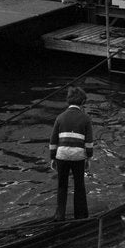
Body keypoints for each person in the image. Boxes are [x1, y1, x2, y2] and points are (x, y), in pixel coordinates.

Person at [49, 86, 94, 220]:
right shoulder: (86, 119)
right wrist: (89, 158)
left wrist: (53, 157)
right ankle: (80, 216)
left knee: (62, 185)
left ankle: (59, 216)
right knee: (79, 185)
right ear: (83, 102)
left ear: (68, 101)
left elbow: (53, 140)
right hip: (78, 156)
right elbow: (89, 143)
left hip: (61, 155)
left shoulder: (60, 117)